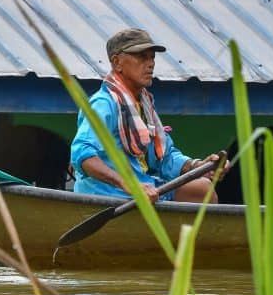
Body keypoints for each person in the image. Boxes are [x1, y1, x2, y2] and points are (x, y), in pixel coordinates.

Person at [70, 28, 228, 204]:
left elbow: (166, 159)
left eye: (152, 57)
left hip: (146, 190)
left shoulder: (144, 105)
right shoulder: (103, 103)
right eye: (141, 57)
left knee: (202, 189)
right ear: (117, 62)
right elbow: (82, 155)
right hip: (108, 195)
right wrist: (127, 183)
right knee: (202, 189)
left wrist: (197, 166)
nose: (150, 63)